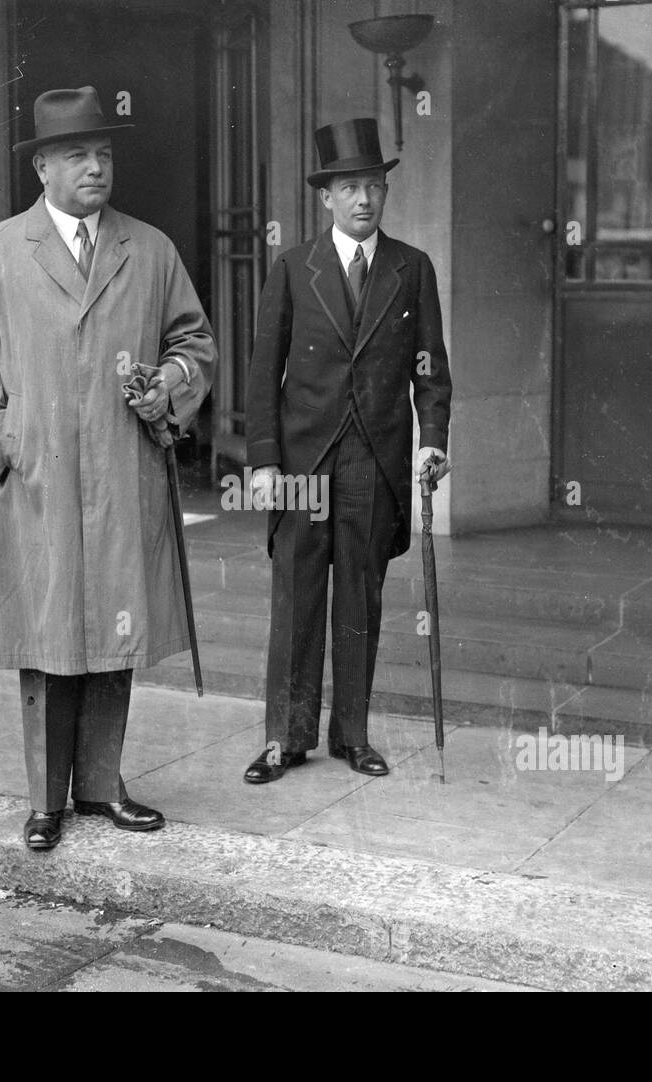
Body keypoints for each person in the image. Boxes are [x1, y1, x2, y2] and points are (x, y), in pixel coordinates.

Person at [0, 87, 215, 850]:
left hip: (123, 474)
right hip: (38, 478)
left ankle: (101, 785)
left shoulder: (149, 249)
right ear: (44, 169)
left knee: (113, 630)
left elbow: (195, 344)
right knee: (47, 635)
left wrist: (169, 388)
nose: (97, 168)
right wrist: (4, 443)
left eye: (105, 154)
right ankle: (44, 799)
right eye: (79, 155)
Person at [243, 117, 453, 784]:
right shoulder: (292, 268)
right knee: (297, 596)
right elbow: (261, 371)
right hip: (304, 461)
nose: (363, 199)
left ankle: (352, 736)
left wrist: (432, 441)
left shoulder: (411, 269)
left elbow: (431, 369)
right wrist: (265, 461)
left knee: (359, 598)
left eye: (373, 186)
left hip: (373, 458)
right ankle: (285, 736)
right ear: (325, 197)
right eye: (349, 187)